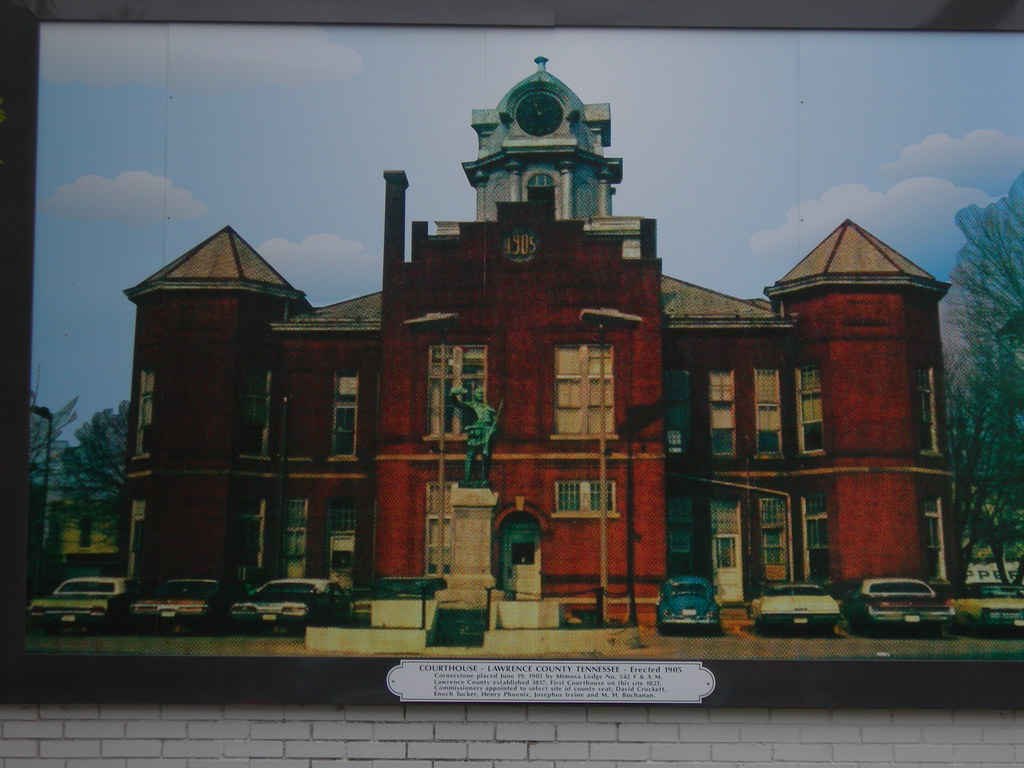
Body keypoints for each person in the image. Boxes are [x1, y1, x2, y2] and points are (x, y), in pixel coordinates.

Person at [449, 386, 498, 484]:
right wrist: (454, 394)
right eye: (478, 393)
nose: (480, 395)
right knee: (471, 455)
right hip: (476, 432)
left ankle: (484, 479)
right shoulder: (471, 405)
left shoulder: (488, 408)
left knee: (486, 456)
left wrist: (493, 429)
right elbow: (457, 404)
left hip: (487, 433)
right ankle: (467, 478)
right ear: (474, 395)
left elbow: (494, 421)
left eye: (482, 394)